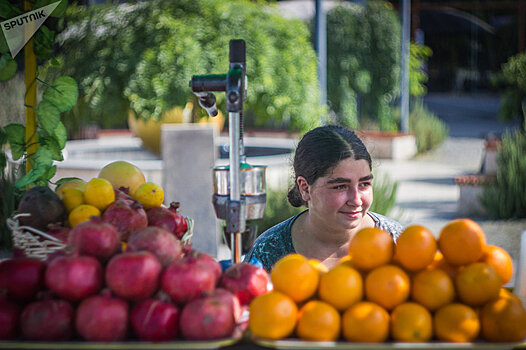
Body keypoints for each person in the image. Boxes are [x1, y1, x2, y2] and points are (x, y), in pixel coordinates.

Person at [243, 125, 404, 272]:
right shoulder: (268, 253)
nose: (356, 200)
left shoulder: (398, 244)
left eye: (364, 184)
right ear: (305, 188)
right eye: (340, 186)